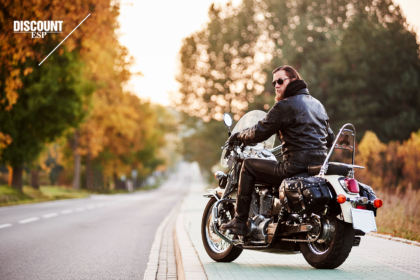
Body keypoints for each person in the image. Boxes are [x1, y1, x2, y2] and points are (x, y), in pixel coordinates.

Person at [220, 65, 335, 235]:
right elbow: (330, 138)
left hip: (293, 168)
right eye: (274, 82)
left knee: (249, 165)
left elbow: (258, 132)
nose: (276, 85)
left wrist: (237, 136)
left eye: (280, 81)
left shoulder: (285, 106)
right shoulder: (317, 105)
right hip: (317, 168)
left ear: (293, 80)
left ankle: (239, 221)